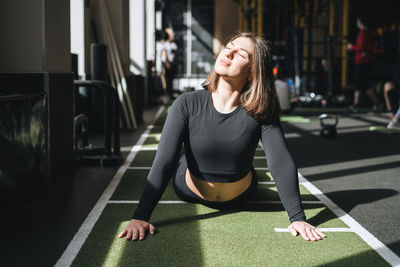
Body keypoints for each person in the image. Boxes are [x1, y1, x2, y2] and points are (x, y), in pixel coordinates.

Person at [118, 32, 326, 242]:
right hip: (188, 188)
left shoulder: (261, 109)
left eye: (240, 54)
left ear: (252, 72)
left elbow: (280, 159)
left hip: (242, 194)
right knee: (180, 155)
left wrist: (297, 217)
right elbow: (164, 160)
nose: (228, 53)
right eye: (229, 47)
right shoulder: (186, 103)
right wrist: (140, 216)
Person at [347, 14, 380, 112]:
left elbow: (361, 47)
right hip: (364, 61)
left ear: (360, 22)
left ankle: (377, 102)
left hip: (361, 61)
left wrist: (351, 47)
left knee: (362, 84)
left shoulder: (363, 33)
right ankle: (356, 104)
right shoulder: (369, 33)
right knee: (359, 83)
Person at [160, 27, 178, 98]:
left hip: (172, 64)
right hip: (166, 65)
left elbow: (176, 55)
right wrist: (167, 64)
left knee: (171, 79)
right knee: (166, 80)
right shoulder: (164, 45)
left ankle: (170, 93)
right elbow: (164, 55)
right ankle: (167, 94)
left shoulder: (173, 45)